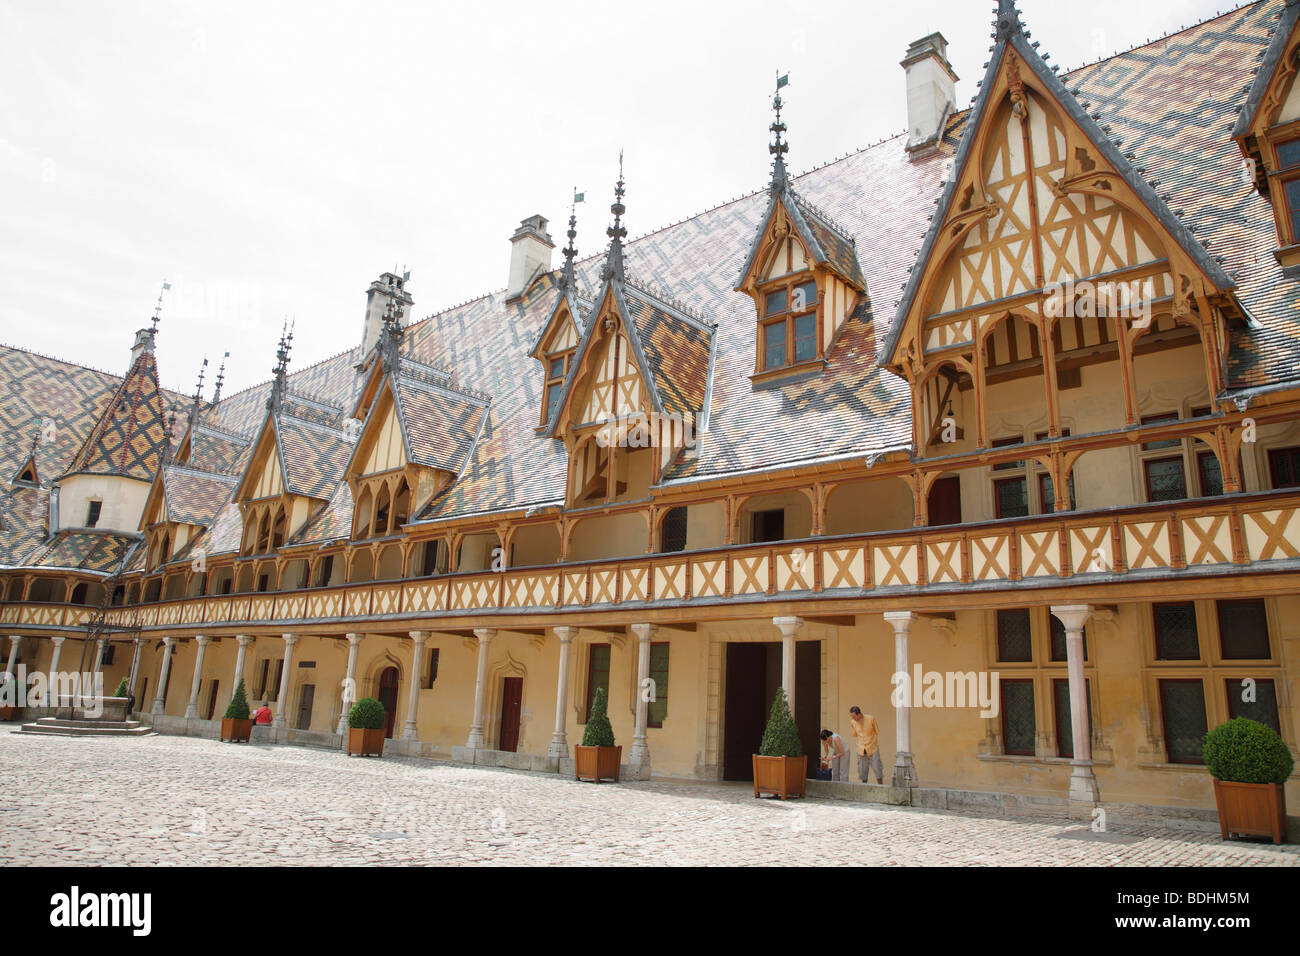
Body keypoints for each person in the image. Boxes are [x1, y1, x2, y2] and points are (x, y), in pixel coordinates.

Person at [848, 705, 883, 784]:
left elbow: (876, 731)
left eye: (853, 716)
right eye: (851, 717)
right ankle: (864, 786)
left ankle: (881, 785)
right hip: (861, 748)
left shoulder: (871, 719)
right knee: (862, 770)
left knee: (877, 767)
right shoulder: (852, 722)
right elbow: (854, 734)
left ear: (859, 714)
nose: (852, 718)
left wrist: (871, 741)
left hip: (872, 747)